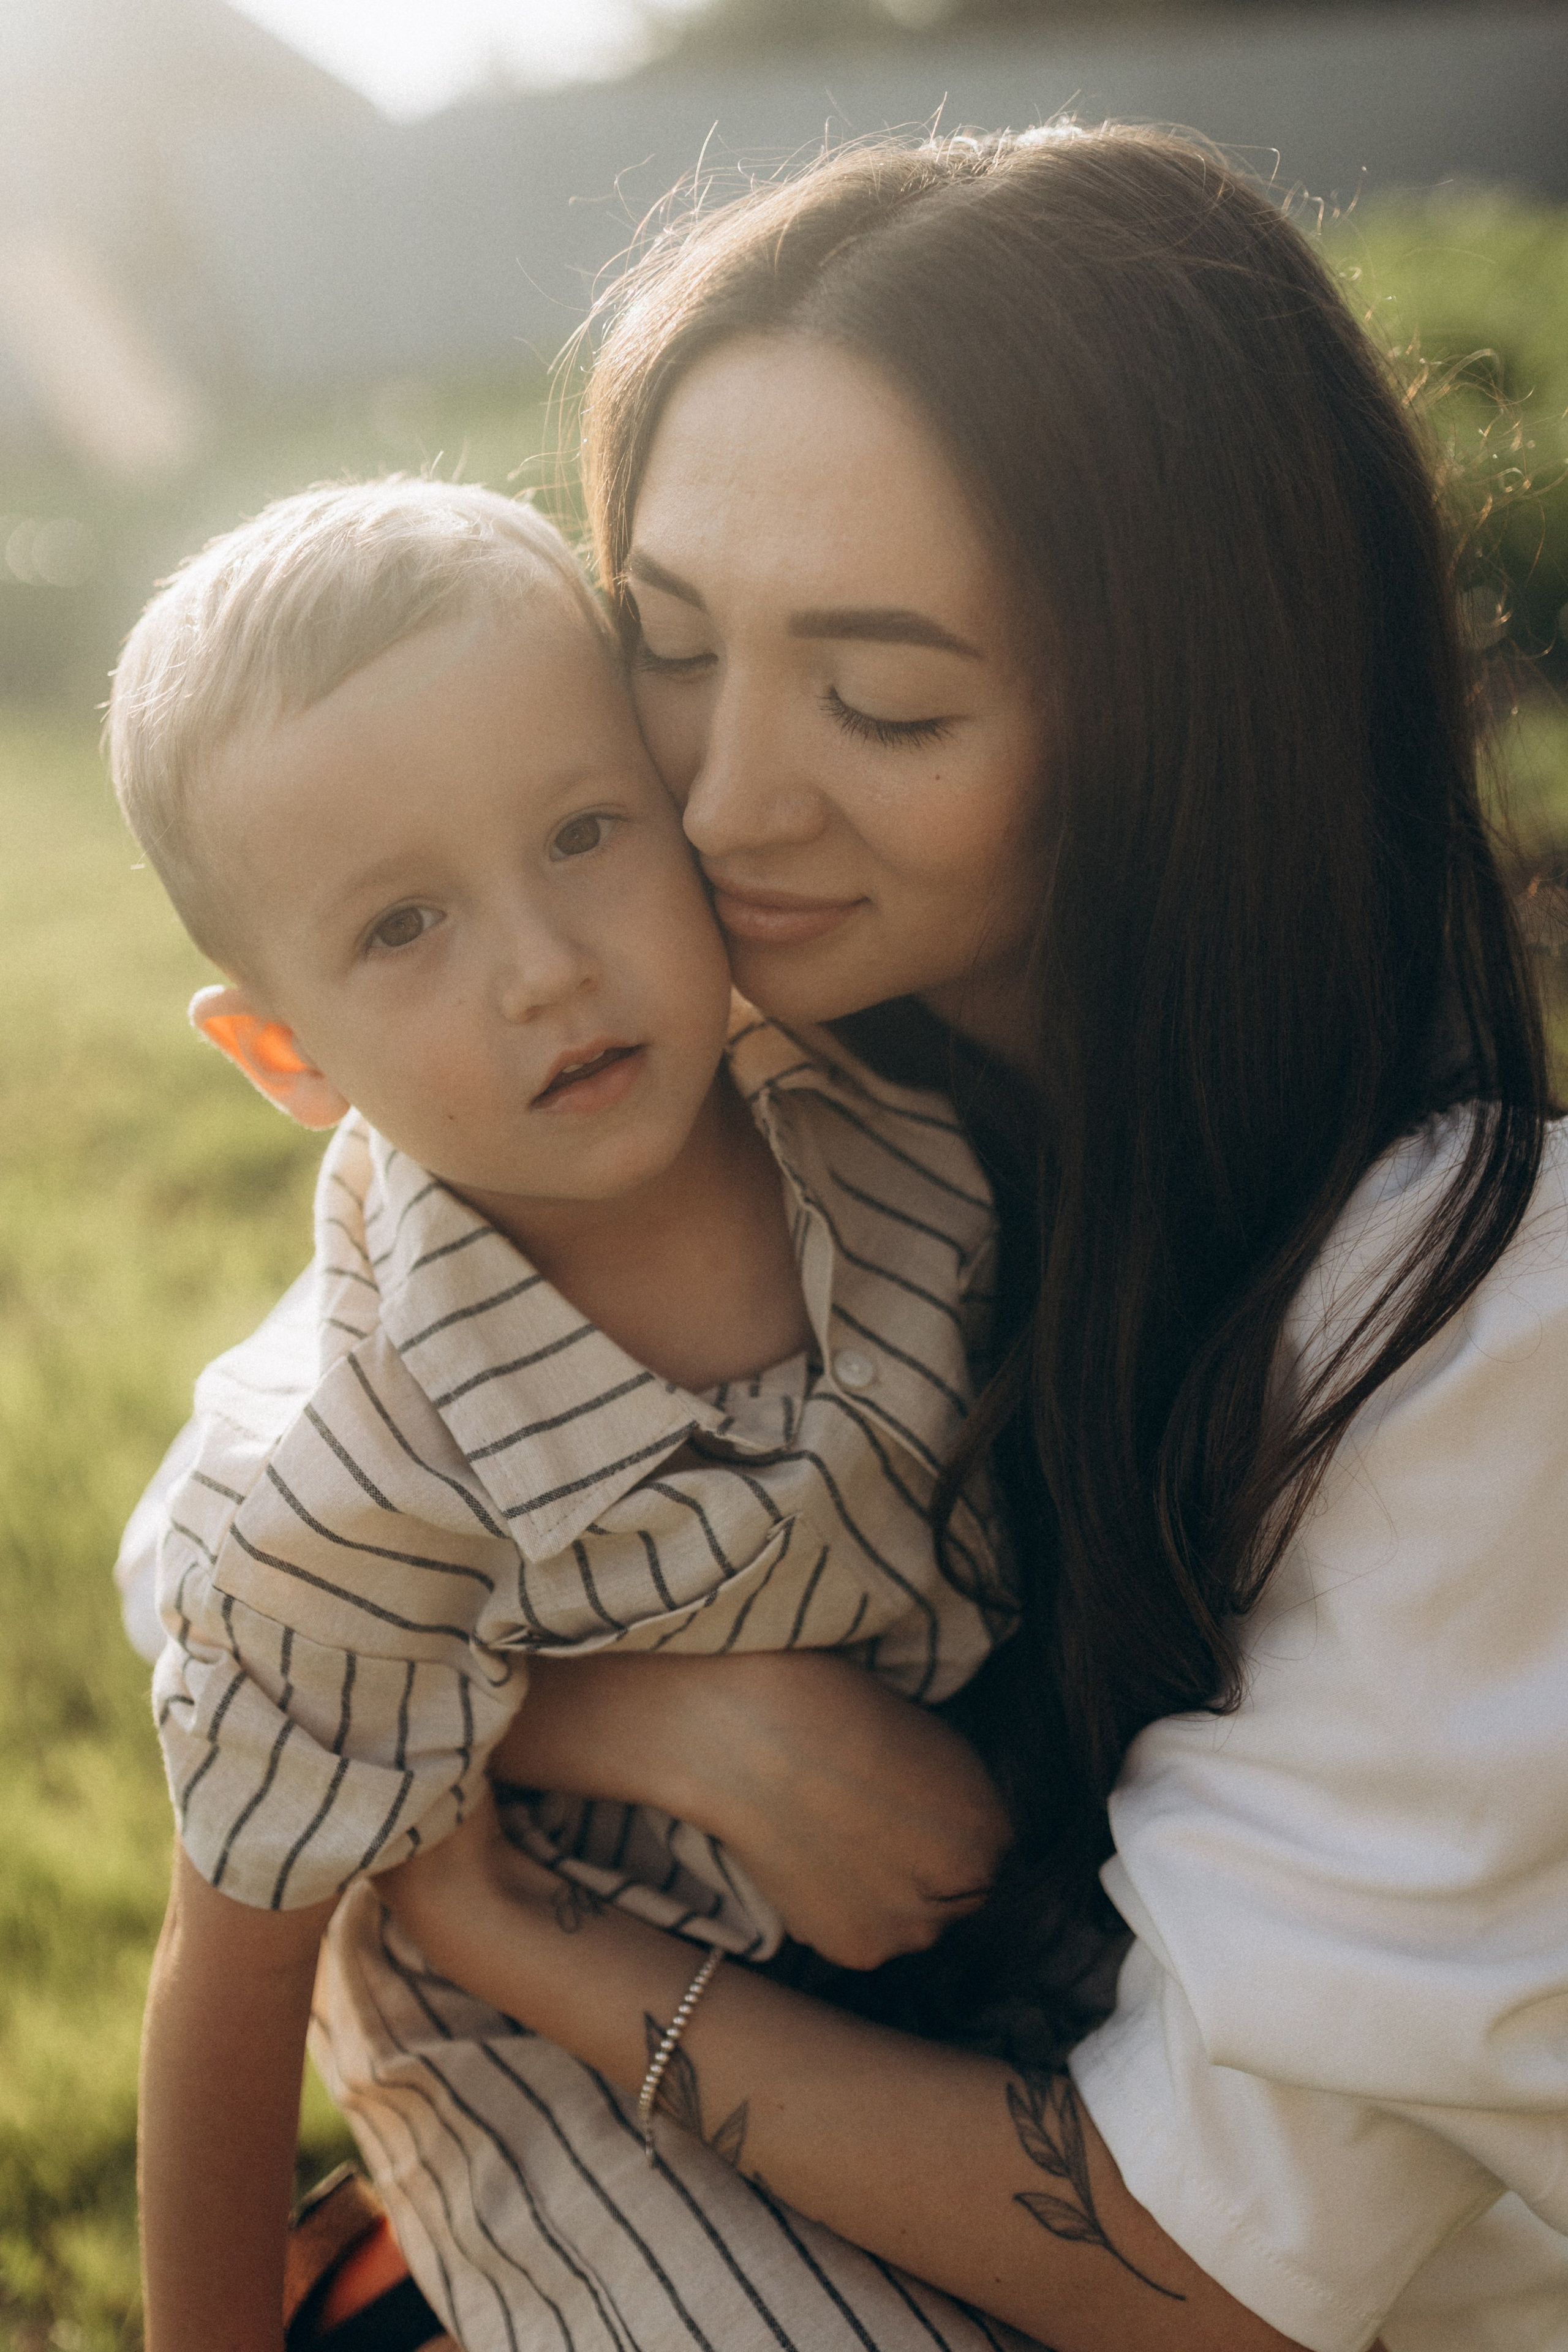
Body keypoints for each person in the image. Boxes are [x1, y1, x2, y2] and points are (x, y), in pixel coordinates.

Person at [119, 125, 1568, 2352]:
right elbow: (258, 1511)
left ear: (1187, 712)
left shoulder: (1464, 1321)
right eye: (669, 654)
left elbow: (1213, 2274)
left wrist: (523, 1932)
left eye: (884, 699)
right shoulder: (825, 1081)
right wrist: (619, 1721)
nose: (715, 807)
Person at [109, 477, 1012, 2351]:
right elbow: (231, 1970)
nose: (544, 966)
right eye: (403, 927)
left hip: (970, 1890)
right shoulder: (350, 1486)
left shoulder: (887, 1115)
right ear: (285, 1057)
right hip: (556, 2053)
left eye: (587, 830)